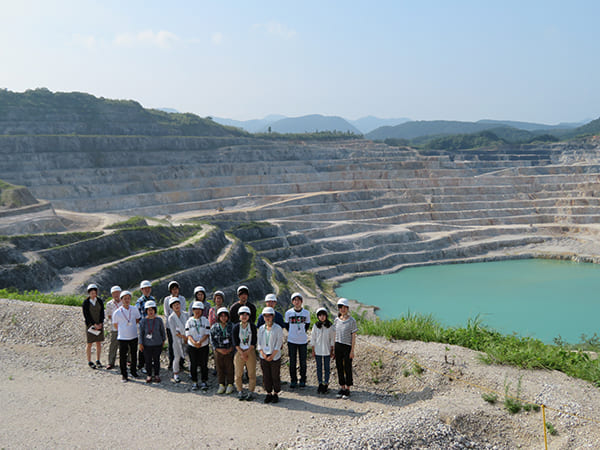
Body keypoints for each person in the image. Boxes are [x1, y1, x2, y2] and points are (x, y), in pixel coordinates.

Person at [112, 290, 141, 382]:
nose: (127, 300)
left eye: (128, 298)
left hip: (133, 335)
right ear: (121, 300)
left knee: (133, 355)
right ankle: (124, 374)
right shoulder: (117, 312)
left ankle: (133, 371)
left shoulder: (134, 309)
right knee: (123, 356)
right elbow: (115, 325)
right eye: (125, 299)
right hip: (122, 337)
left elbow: (137, 319)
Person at [257, 307, 283, 404]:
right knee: (266, 375)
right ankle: (268, 393)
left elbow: (278, 343)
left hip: (275, 356)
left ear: (273, 316)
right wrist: (263, 354)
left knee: (275, 375)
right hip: (263, 355)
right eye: (265, 316)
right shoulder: (261, 329)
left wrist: (272, 355)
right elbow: (259, 343)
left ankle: (276, 393)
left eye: (269, 315)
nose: (267, 318)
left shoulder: (278, 328)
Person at [284, 292, 311, 388]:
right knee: (292, 361)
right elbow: (287, 325)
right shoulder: (288, 313)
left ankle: (303, 379)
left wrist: (301, 331)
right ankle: (293, 380)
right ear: (292, 302)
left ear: (301, 301)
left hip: (303, 341)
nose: (297, 302)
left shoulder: (306, 313)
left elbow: (307, 325)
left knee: (303, 362)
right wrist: (292, 332)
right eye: (295, 300)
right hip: (291, 340)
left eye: (298, 300)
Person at [232, 306, 258, 401]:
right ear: (239, 316)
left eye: (246, 314)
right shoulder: (235, 327)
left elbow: (254, 341)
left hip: (250, 351)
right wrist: (242, 353)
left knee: (251, 373)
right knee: (238, 373)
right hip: (239, 352)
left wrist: (247, 352)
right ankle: (240, 391)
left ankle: (251, 391)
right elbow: (235, 342)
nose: (244, 316)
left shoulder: (252, 327)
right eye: (242, 314)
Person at [334, 298, 358, 399]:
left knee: (347, 367)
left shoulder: (352, 321)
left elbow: (353, 336)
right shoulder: (336, 320)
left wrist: (352, 350)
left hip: (347, 346)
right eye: (341, 307)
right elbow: (335, 334)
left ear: (347, 308)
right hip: (338, 345)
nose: (342, 309)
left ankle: (348, 388)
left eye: (344, 307)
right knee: (339, 366)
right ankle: (342, 387)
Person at [138, 300, 166, 383]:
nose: (151, 312)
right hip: (147, 345)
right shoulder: (143, 321)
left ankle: (157, 375)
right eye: (149, 310)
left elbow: (162, 331)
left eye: (152, 309)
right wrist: (140, 343)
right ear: (146, 311)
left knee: (157, 360)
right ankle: (149, 375)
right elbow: (141, 333)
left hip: (157, 343)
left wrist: (163, 340)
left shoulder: (159, 320)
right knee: (148, 360)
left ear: (155, 310)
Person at [186, 301, 211, 391]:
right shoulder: (189, 321)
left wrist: (200, 342)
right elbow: (188, 334)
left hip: (203, 345)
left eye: (199, 309)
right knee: (193, 364)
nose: (197, 311)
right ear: (192, 310)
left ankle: (204, 381)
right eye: (195, 309)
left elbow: (207, 333)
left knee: (204, 364)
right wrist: (194, 343)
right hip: (192, 346)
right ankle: (194, 382)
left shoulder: (205, 320)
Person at [210, 307, 235, 394]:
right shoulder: (214, 327)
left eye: (225, 316)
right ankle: (221, 384)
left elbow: (235, 339)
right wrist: (217, 349)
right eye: (221, 316)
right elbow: (212, 340)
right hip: (218, 351)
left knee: (230, 368)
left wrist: (231, 349)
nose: (223, 318)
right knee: (219, 368)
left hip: (229, 351)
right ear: (218, 317)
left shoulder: (232, 326)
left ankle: (230, 384)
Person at [163, 281, 187, 371]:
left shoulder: (182, 299)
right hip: (170, 326)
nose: (175, 291)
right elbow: (166, 313)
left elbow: (183, 310)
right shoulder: (166, 300)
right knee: (172, 344)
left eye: (176, 289)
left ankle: (181, 363)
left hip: (181, 325)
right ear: (170, 290)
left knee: (181, 343)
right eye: (173, 289)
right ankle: (171, 362)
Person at [312, 307, 335, 394]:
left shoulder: (330, 326)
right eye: (320, 315)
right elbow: (313, 338)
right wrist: (313, 349)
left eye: (323, 315)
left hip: (327, 350)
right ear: (318, 316)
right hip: (318, 350)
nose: (322, 317)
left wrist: (332, 350)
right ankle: (320, 383)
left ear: (326, 316)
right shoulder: (315, 326)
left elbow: (332, 339)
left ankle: (326, 383)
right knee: (319, 367)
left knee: (326, 368)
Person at [82, 283, 104, 369]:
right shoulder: (86, 302)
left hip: (99, 324)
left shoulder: (99, 301)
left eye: (95, 293)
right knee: (89, 343)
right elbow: (86, 315)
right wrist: (94, 324)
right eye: (92, 293)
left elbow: (102, 312)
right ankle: (89, 361)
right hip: (90, 326)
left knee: (98, 342)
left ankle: (98, 360)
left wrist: (101, 323)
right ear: (89, 293)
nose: (93, 294)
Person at [167, 297, 188, 383]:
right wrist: (184, 337)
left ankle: (191, 372)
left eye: (178, 304)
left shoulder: (185, 314)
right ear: (172, 307)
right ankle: (176, 374)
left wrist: (187, 337)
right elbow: (174, 332)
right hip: (177, 340)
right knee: (177, 356)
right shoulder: (171, 318)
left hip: (187, 338)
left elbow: (188, 326)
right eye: (174, 305)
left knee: (188, 356)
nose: (177, 306)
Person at [136, 280, 155, 374]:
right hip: (143, 326)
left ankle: (149, 362)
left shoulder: (152, 299)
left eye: (148, 288)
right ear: (142, 290)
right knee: (142, 345)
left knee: (150, 344)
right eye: (145, 289)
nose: (147, 290)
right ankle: (141, 364)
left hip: (152, 325)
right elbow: (138, 315)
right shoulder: (139, 301)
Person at [105, 285, 122, 370]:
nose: (116, 295)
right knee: (113, 345)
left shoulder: (124, 302)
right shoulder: (109, 304)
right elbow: (109, 316)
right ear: (112, 294)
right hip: (114, 327)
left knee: (127, 345)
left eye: (117, 293)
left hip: (124, 328)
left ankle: (128, 361)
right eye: (114, 293)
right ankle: (111, 362)